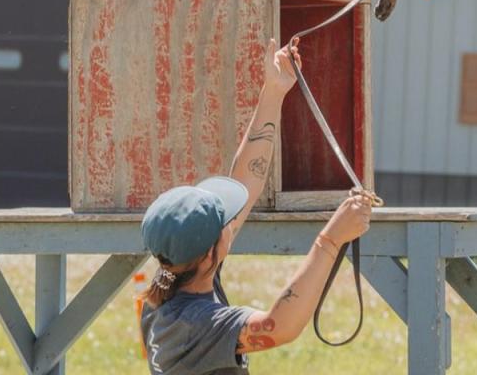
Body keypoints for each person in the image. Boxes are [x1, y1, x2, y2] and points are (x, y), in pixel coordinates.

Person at [139, 37, 374, 374]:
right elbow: (278, 326)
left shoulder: (172, 285)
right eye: (226, 223)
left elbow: (245, 181)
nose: (232, 221)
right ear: (211, 252)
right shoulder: (197, 323)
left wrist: (274, 90)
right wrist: (331, 240)